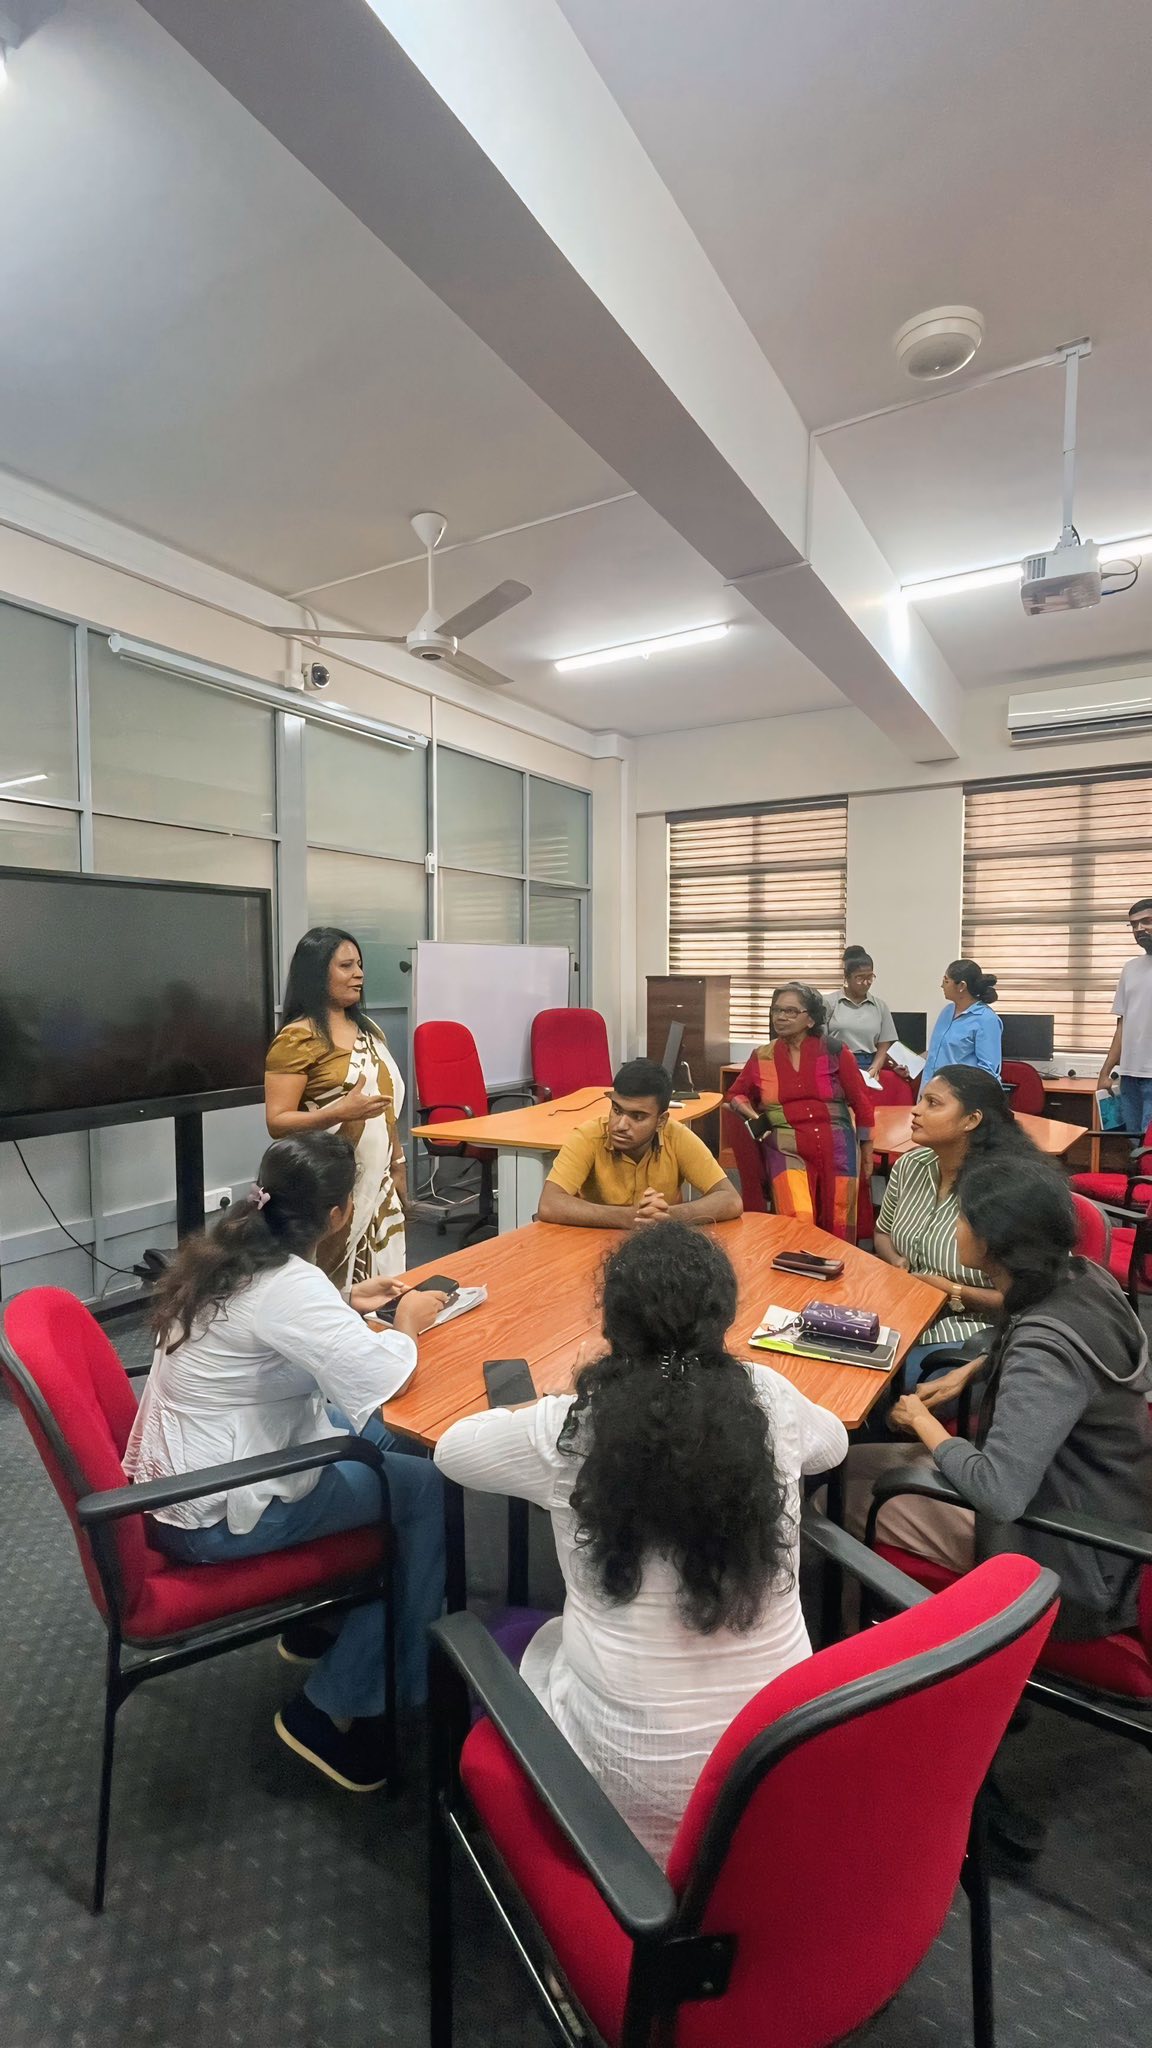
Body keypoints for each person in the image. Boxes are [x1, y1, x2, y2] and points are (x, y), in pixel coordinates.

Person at [434, 1223, 848, 1863]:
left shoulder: (571, 1428)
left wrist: (540, 1409)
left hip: (618, 1805)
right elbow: (834, 1446)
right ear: (723, 1320)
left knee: (505, 1635)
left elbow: (452, 1451)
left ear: (612, 1327)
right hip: (774, 1778)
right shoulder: (769, 1399)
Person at [125, 1132, 448, 1792]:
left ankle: (322, 1621)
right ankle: (334, 1709)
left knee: (381, 1442)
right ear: (337, 1214)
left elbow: (265, 1327)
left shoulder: (226, 1251)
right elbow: (382, 1377)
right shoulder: (290, 1284)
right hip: (215, 1511)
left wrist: (345, 1304)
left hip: (180, 1482)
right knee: (428, 1487)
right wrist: (408, 1320)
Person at [846, 1155, 1152, 1645]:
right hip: (1103, 1506)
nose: (956, 1227)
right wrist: (976, 1368)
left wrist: (922, 1419)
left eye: (963, 1218)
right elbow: (1062, 1368)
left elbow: (998, 1494)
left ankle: (879, 1662)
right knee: (853, 1463)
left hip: (1067, 1559)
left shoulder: (1043, 1352)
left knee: (838, 1495)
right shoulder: (1083, 1280)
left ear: (991, 1242)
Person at [265, 928, 408, 1293]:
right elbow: (277, 1122)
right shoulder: (297, 1038)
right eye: (346, 966)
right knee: (329, 1289)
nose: (358, 974)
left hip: (379, 1186)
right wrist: (339, 1112)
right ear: (316, 972)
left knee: (384, 1287)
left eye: (359, 964)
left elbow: (383, 1109)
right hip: (329, 1189)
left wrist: (398, 1164)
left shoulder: (369, 1031)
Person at [874, 1065, 1037, 1384]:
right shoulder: (910, 1165)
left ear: (971, 1120)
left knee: (882, 1386)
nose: (916, 1110)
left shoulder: (1006, 1189)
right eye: (921, 1100)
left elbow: (1033, 1297)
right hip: (899, 1316)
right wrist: (895, 1261)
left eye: (933, 1103)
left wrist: (953, 1291)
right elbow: (882, 1232)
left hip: (971, 1333)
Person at [726, 983, 875, 1241]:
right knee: (797, 1220)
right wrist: (754, 1117)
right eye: (777, 1010)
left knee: (839, 1223)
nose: (780, 1017)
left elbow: (861, 1102)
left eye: (791, 1011)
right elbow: (734, 1094)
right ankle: (798, 1263)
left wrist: (867, 1151)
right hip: (785, 1146)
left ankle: (839, 1265)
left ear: (811, 1019)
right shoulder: (761, 1056)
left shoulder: (835, 1051)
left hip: (837, 1145)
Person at [537, 1056, 742, 1230]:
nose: (620, 1125)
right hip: (593, 1242)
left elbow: (730, 1200)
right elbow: (549, 1204)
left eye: (637, 1116)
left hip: (658, 1247)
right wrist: (629, 1217)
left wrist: (669, 1215)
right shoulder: (588, 1137)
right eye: (616, 1110)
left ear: (661, 1120)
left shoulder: (677, 1137)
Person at [1098, 897, 1152, 1135]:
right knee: (1133, 1143)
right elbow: (1122, 1025)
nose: (1139, 929)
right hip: (1129, 1076)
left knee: (1148, 1148)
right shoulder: (1130, 969)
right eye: (1134, 924)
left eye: (1147, 921)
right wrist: (1105, 1071)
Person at [921, 960, 1002, 1088]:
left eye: (946, 981)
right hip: (932, 1089)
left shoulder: (986, 1019)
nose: (942, 986)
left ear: (961, 986)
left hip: (960, 1094)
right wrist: (911, 1064)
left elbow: (987, 1072)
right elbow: (936, 1052)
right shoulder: (947, 1011)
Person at [824, 946, 897, 1079]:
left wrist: (873, 1070)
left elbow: (884, 1044)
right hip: (836, 1064)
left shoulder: (880, 1006)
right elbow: (819, 1042)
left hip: (869, 1064)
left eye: (870, 977)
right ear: (847, 977)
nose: (866, 983)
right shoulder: (829, 1003)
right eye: (859, 978)